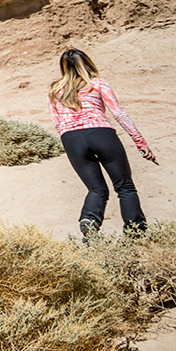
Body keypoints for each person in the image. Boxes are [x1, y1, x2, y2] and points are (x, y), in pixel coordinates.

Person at [47, 49, 156, 238]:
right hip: (100, 133)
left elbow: (57, 123)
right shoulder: (97, 84)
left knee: (96, 189)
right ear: (87, 63)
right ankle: (136, 233)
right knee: (125, 187)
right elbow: (119, 114)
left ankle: (89, 220)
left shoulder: (54, 90)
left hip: (71, 138)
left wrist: (70, 143)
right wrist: (140, 143)